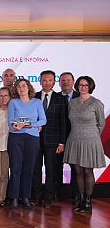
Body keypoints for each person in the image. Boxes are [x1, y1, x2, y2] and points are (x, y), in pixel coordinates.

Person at [64, 76, 105, 213]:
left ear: (90, 87)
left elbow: (101, 123)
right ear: (77, 86)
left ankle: (88, 200)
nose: (83, 87)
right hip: (74, 139)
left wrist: (91, 136)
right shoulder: (72, 102)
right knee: (78, 171)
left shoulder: (96, 103)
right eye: (81, 85)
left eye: (86, 85)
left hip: (90, 140)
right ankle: (81, 199)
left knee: (88, 170)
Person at [7, 78, 47, 210]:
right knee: (16, 168)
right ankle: (14, 197)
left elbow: (43, 120)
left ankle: (25, 197)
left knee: (28, 169)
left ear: (29, 87)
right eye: (18, 87)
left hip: (32, 138)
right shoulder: (13, 102)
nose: (21, 88)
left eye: (24, 86)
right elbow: (11, 122)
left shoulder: (36, 102)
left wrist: (31, 125)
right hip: (16, 138)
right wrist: (16, 126)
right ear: (15, 90)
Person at [32, 70, 67, 208]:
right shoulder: (33, 97)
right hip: (34, 139)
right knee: (35, 169)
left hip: (53, 141)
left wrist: (62, 142)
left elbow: (63, 122)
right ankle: (36, 195)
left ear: (54, 82)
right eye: (44, 80)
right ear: (40, 81)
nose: (46, 83)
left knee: (51, 170)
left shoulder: (60, 99)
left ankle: (49, 196)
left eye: (50, 80)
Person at [59, 71, 80, 203]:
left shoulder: (81, 97)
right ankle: (56, 193)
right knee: (55, 167)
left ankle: (77, 194)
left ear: (73, 82)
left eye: (68, 80)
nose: (65, 83)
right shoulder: (55, 97)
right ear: (59, 83)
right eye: (63, 81)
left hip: (77, 138)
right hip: (58, 139)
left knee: (76, 168)